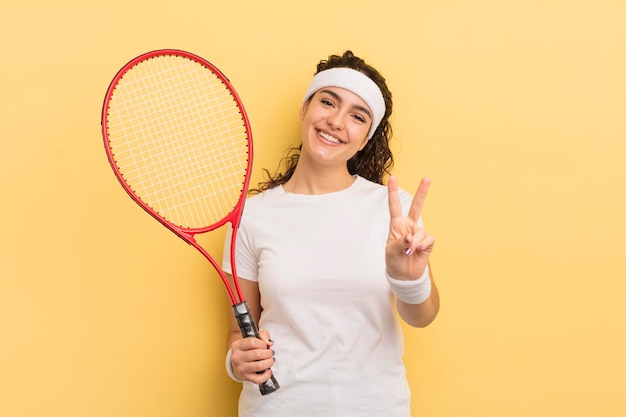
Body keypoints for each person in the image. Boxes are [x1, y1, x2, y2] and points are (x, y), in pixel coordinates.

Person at [222, 50, 440, 417]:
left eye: (357, 116)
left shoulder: (392, 209)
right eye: (328, 102)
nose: (337, 121)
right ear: (304, 109)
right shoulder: (251, 217)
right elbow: (237, 333)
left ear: (366, 138)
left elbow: (423, 316)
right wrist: (236, 361)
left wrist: (408, 280)